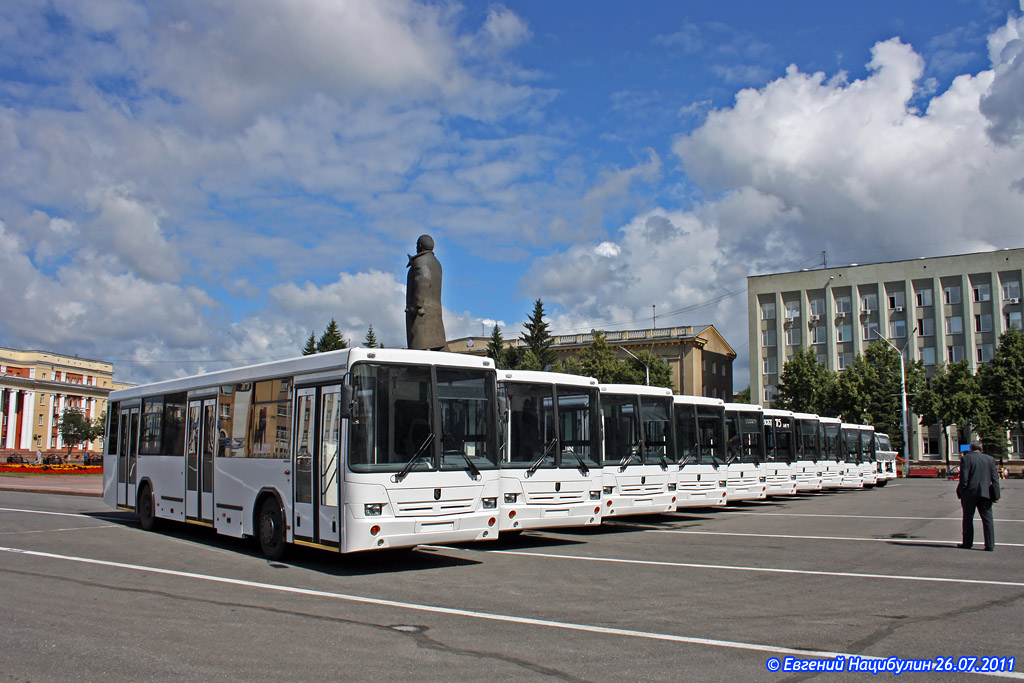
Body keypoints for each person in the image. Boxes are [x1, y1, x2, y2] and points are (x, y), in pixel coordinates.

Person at [405, 234, 448, 351]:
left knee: (419, 351)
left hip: (421, 315)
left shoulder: (420, 261)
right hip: (435, 314)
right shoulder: (437, 263)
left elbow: (424, 279)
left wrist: (416, 305)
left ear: (419, 246)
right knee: (438, 346)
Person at [956, 440, 1001, 551]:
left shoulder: (966, 459)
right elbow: (995, 479)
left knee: (968, 518)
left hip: (969, 494)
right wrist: (996, 496)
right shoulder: (990, 459)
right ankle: (989, 544)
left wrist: (960, 491)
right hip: (986, 493)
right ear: (982, 448)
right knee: (987, 520)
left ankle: (967, 542)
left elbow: (964, 479)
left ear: (971, 448)